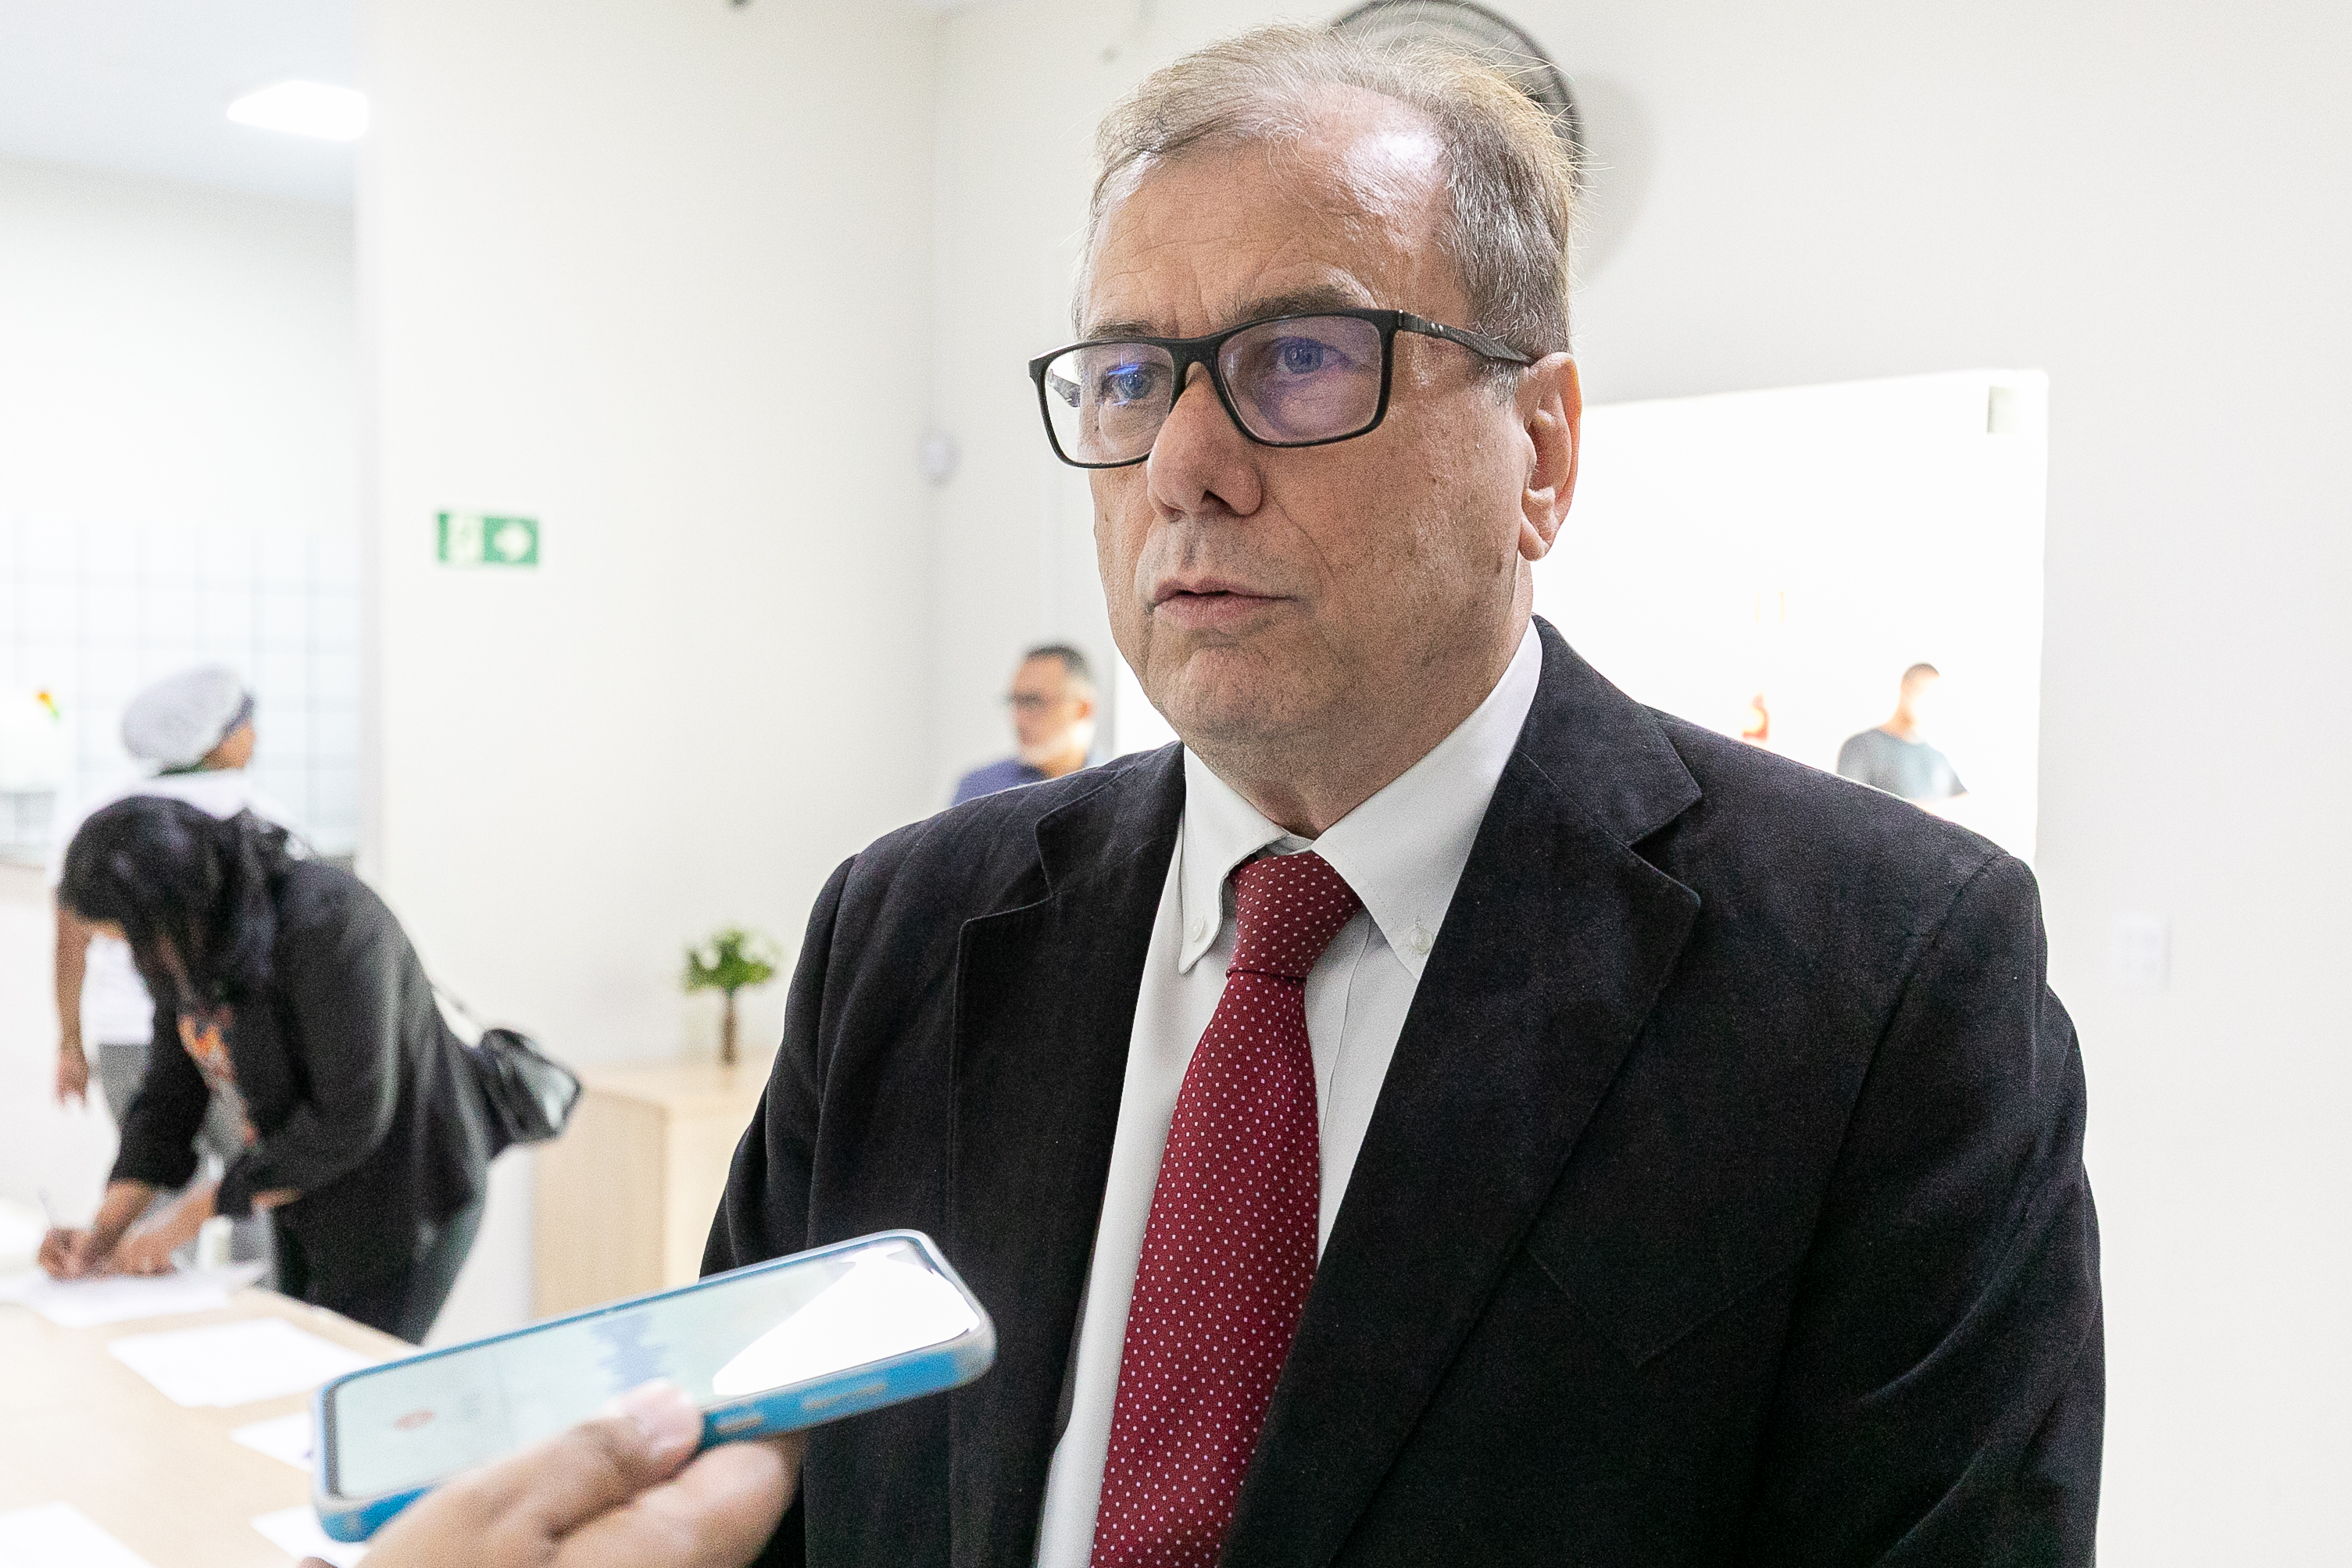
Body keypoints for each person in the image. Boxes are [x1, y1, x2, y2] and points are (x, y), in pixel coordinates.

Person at [400, 24, 2101, 1566]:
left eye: (1301, 358)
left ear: (1543, 450)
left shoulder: (1881, 980)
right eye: (1130, 376)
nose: (1183, 468)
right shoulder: (908, 928)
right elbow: (765, 1507)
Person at [37, 797, 491, 1344]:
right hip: (303, 1190)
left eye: (127, 935)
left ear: (163, 909)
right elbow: (167, 1099)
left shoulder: (331, 923)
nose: (132, 953)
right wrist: (104, 1233)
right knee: (295, 1353)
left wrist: (188, 1216)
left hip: (406, 1190)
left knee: (345, 1368)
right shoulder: (182, 947)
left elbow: (350, 1118)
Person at [49, 666, 294, 1267]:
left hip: (122, 1034)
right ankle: (254, 1305)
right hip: (227, 1039)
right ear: (216, 736)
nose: (255, 738)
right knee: (250, 1195)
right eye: (246, 724)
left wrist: (70, 1043)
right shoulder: (253, 813)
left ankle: (150, 1300)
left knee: (157, 1203)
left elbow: (68, 944)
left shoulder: (100, 814)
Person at [949, 645, 1098, 804]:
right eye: (1015, 702)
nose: (1018, 719)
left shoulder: (1112, 789)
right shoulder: (980, 791)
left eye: (1033, 702)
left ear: (1083, 709)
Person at [1837, 661, 1968, 804]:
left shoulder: (1939, 760)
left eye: (1936, 699)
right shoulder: (1861, 746)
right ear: (1904, 689)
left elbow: (1965, 807)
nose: (1929, 705)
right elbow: (1847, 806)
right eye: (1922, 693)